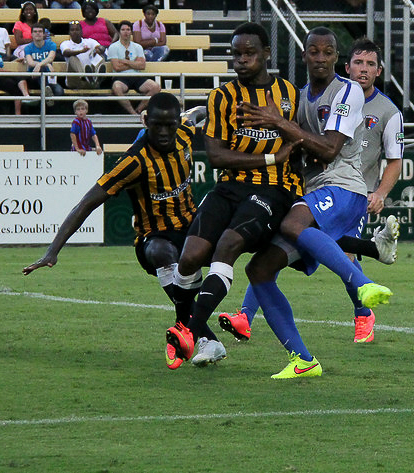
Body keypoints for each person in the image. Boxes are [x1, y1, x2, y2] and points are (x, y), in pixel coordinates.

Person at [227, 26, 393, 379]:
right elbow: (297, 147)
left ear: (338, 59)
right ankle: (302, 360)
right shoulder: (300, 96)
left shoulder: (347, 91)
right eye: (313, 52)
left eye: (327, 52)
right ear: (304, 56)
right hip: (312, 190)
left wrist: (280, 124)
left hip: (344, 187)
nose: (320, 58)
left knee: (292, 224)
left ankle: (360, 283)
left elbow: (329, 148)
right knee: (259, 270)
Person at [23, 93, 210, 370]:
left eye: (169, 125)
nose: (163, 131)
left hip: (190, 229)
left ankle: (207, 330)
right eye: (156, 124)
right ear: (146, 122)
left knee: (228, 233)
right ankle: (202, 335)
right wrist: (53, 251)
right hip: (154, 238)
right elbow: (86, 203)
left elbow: (198, 113)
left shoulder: (184, 131)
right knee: (163, 252)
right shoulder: (134, 161)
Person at [164, 22, 304, 370]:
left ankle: (190, 329)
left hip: (273, 188)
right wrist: (272, 155)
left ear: (266, 54)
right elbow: (216, 156)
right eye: (236, 54)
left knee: (227, 245)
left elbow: (301, 141)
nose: (241, 60)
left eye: (249, 53)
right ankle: (207, 341)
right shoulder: (222, 96)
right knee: (190, 257)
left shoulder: (289, 94)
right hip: (230, 185)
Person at [108, 20, 161, 115]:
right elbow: (117, 67)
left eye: (128, 29)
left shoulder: (137, 47)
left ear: (131, 32)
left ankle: (139, 109)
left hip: (136, 76)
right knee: (116, 87)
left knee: (156, 87)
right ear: (119, 32)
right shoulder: (113, 47)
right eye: (123, 29)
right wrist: (134, 62)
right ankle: (132, 112)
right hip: (121, 77)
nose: (126, 32)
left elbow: (142, 65)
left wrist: (125, 61)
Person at [0, 30, 33, 115]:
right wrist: (12, 73)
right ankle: (20, 109)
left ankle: (25, 98)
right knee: (12, 83)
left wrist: (16, 61)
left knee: (16, 82)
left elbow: (2, 66)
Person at [24, 23, 64, 103]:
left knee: (59, 91)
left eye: (40, 31)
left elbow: (51, 57)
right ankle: (47, 90)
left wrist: (39, 64)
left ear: (44, 34)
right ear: (31, 34)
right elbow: (30, 62)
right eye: (35, 31)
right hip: (34, 77)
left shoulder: (51, 45)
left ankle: (48, 94)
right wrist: (46, 64)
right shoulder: (28, 48)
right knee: (41, 70)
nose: (37, 33)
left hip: (49, 76)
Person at [60, 20, 106, 89]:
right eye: (72, 30)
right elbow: (66, 52)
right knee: (72, 58)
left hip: (91, 81)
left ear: (82, 31)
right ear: (69, 33)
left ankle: (98, 78)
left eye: (77, 30)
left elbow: (101, 48)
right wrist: (81, 51)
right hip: (74, 80)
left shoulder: (89, 41)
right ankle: (84, 76)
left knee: (100, 56)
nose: (75, 32)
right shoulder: (65, 43)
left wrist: (99, 49)